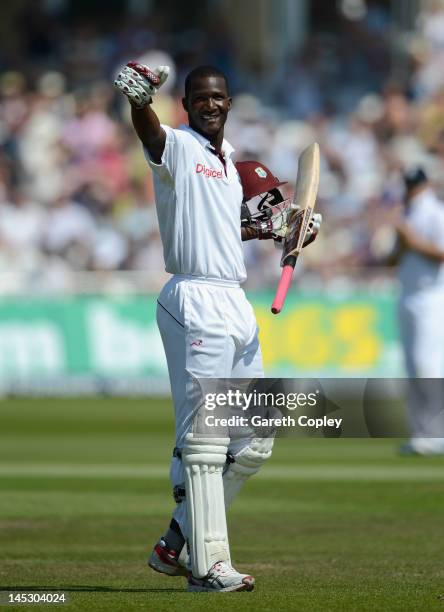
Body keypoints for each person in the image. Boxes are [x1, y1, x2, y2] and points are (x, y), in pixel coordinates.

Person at [114, 61, 321, 592]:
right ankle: (208, 567)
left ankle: (174, 543)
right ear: (186, 105)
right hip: (194, 295)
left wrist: (283, 228)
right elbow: (151, 134)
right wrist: (141, 101)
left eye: (218, 97)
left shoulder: (228, 161)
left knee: (254, 441)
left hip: (235, 301)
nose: (210, 104)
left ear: (229, 103)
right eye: (200, 97)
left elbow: (230, 227)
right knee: (207, 441)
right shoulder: (178, 146)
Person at [393, 168, 444, 455]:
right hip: (409, 293)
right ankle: (420, 433)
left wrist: (410, 240)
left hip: (433, 295)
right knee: (412, 368)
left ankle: (437, 435)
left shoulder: (436, 212)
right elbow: (393, 257)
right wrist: (402, 242)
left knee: (428, 364)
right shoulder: (408, 215)